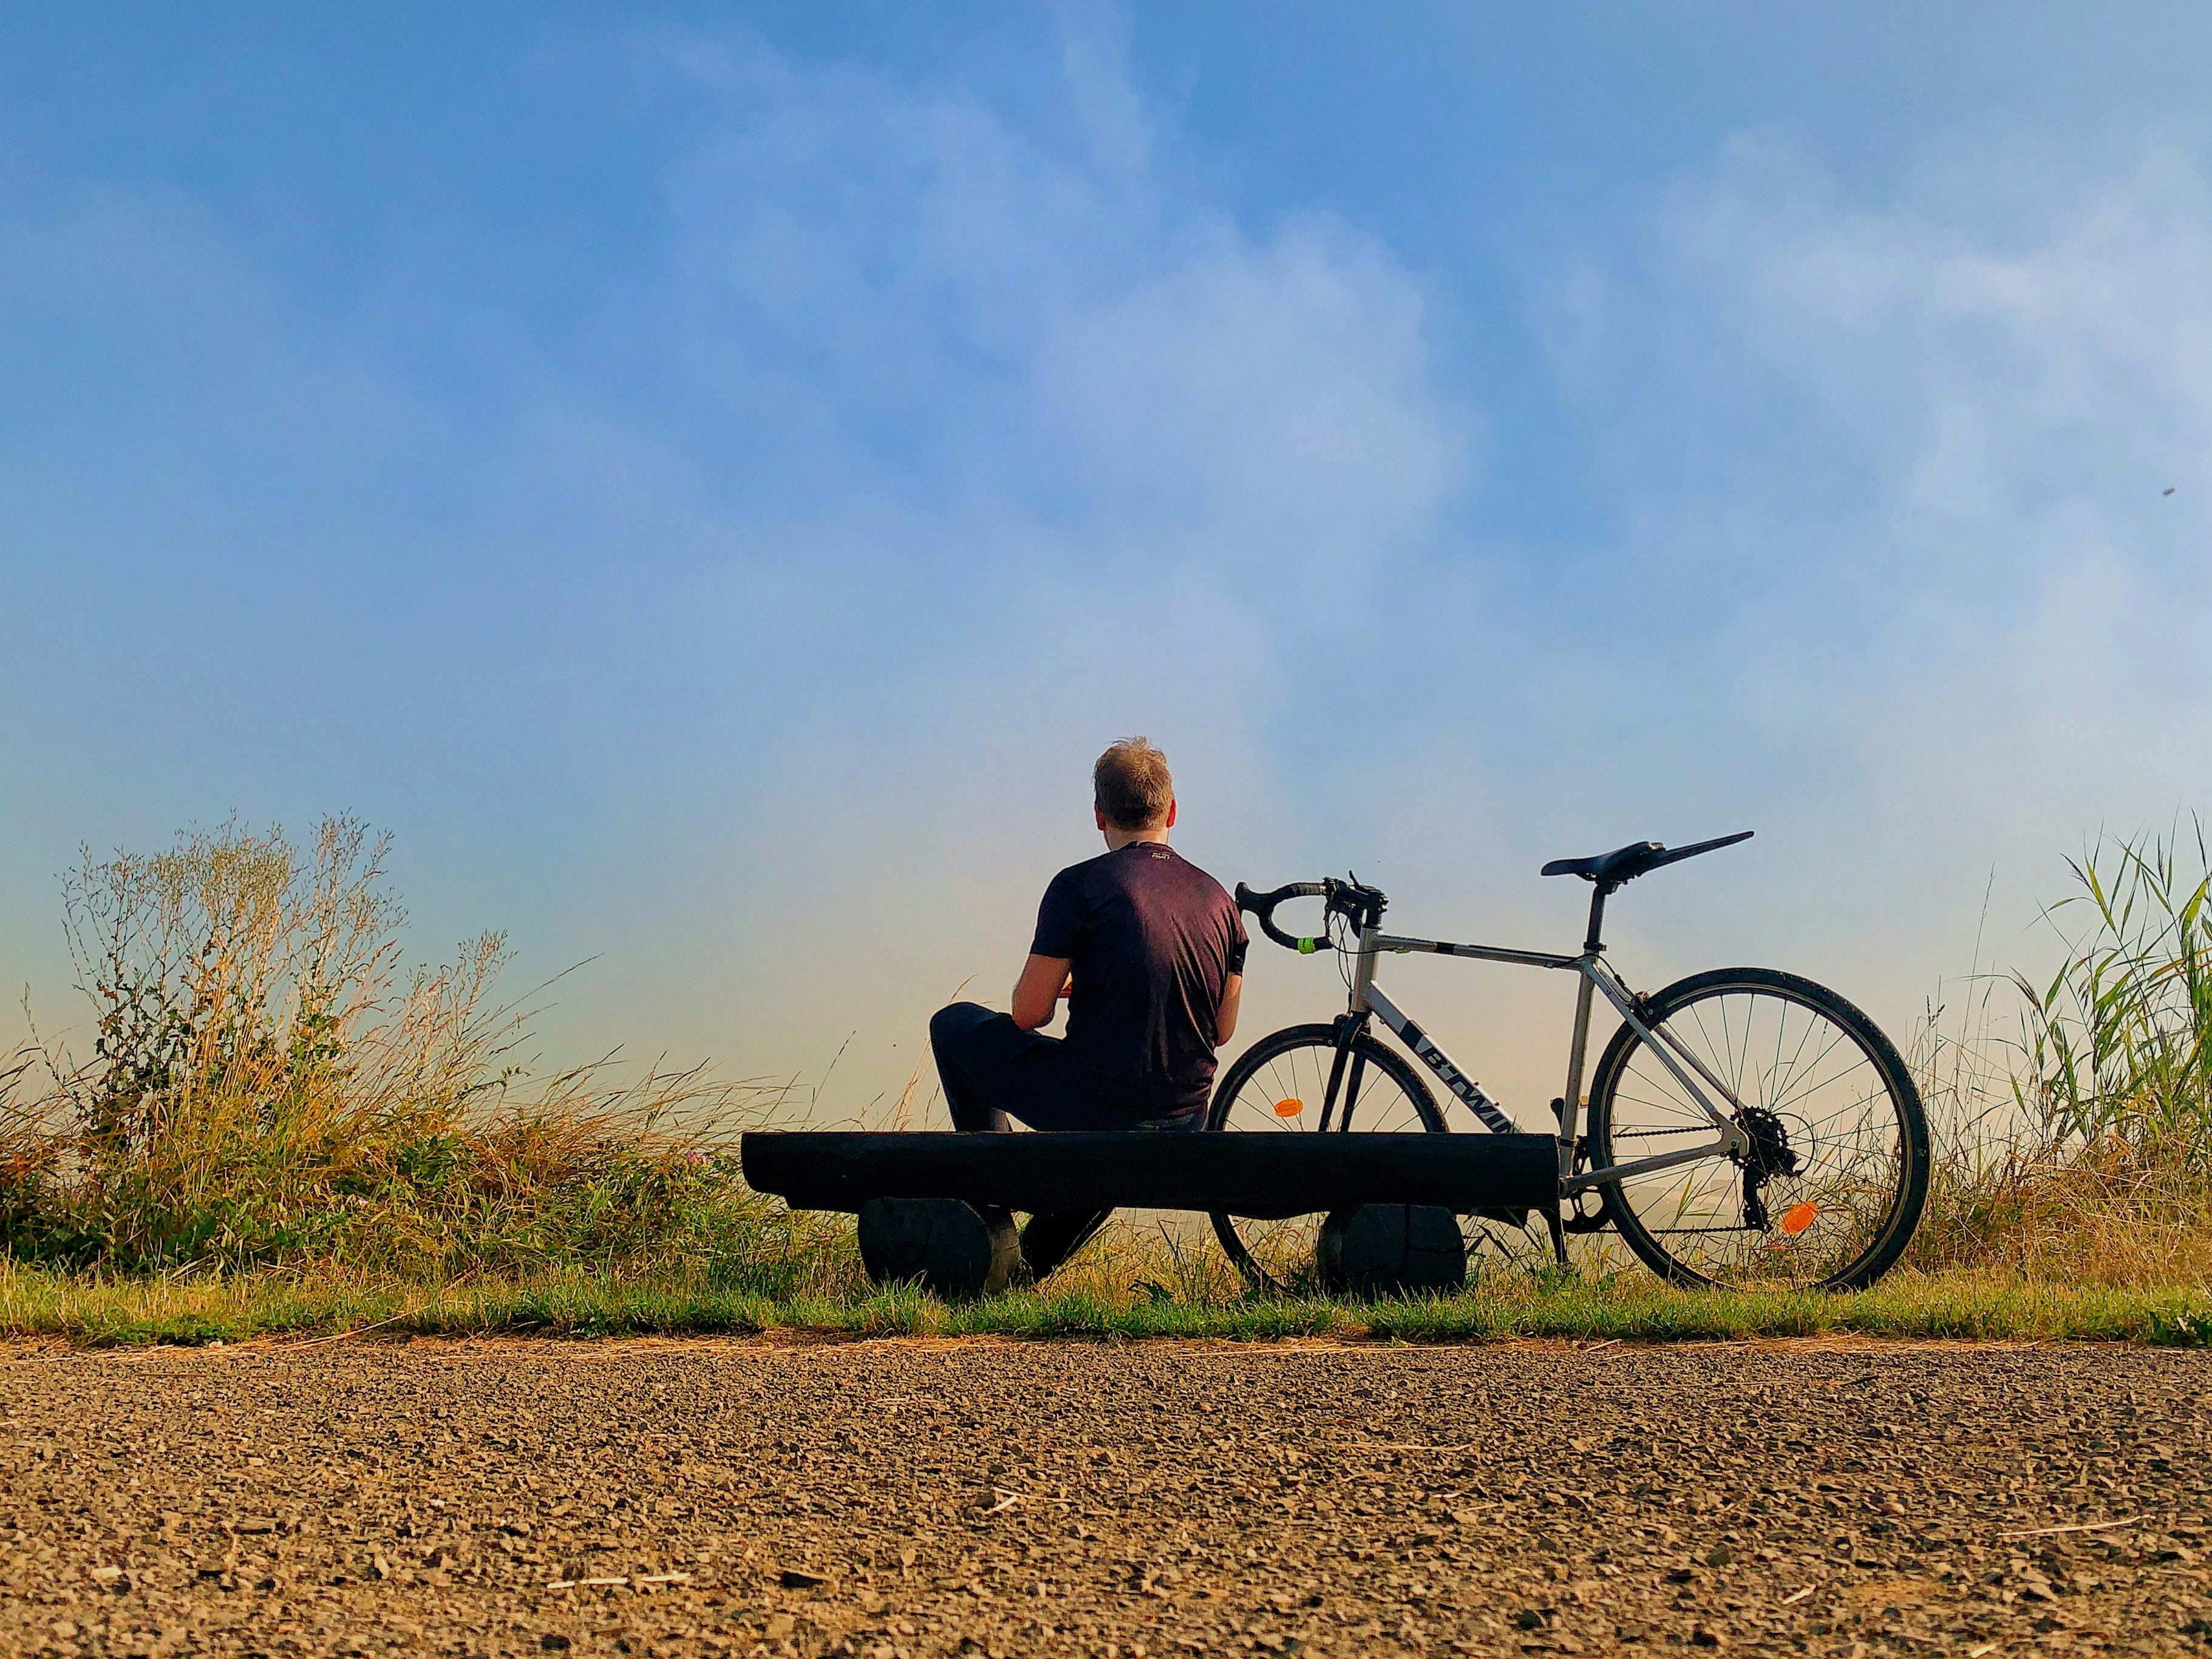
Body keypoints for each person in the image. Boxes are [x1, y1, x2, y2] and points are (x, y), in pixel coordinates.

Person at [928, 737, 1247, 1278]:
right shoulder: (1220, 902)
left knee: (955, 1025)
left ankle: (993, 1191)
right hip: (1184, 1119)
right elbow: (1220, 1029)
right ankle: (1018, 1274)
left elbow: (1029, 1015)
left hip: (1102, 1109)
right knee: (1110, 1110)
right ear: (1171, 810)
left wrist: (1053, 986)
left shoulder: (1079, 887)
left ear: (1099, 815)